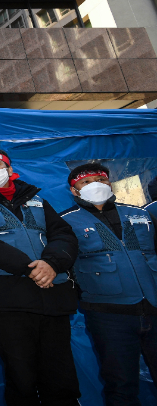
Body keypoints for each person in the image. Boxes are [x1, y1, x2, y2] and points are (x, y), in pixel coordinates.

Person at [0, 147, 80, 406]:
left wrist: (52, 264)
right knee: (21, 379)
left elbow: (63, 234)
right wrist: (31, 268)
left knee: (62, 379)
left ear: (9, 170)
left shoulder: (37, 200)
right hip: (9, 302)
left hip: (54, 298)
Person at [61, 163, 157, 406]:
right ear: (74, 190)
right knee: (121, 386)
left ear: (110, 184)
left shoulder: (141, 214)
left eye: (100, 179)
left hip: (154, 308)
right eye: (86, 182)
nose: (95, 185)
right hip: (109, 316)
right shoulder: (66, 222)